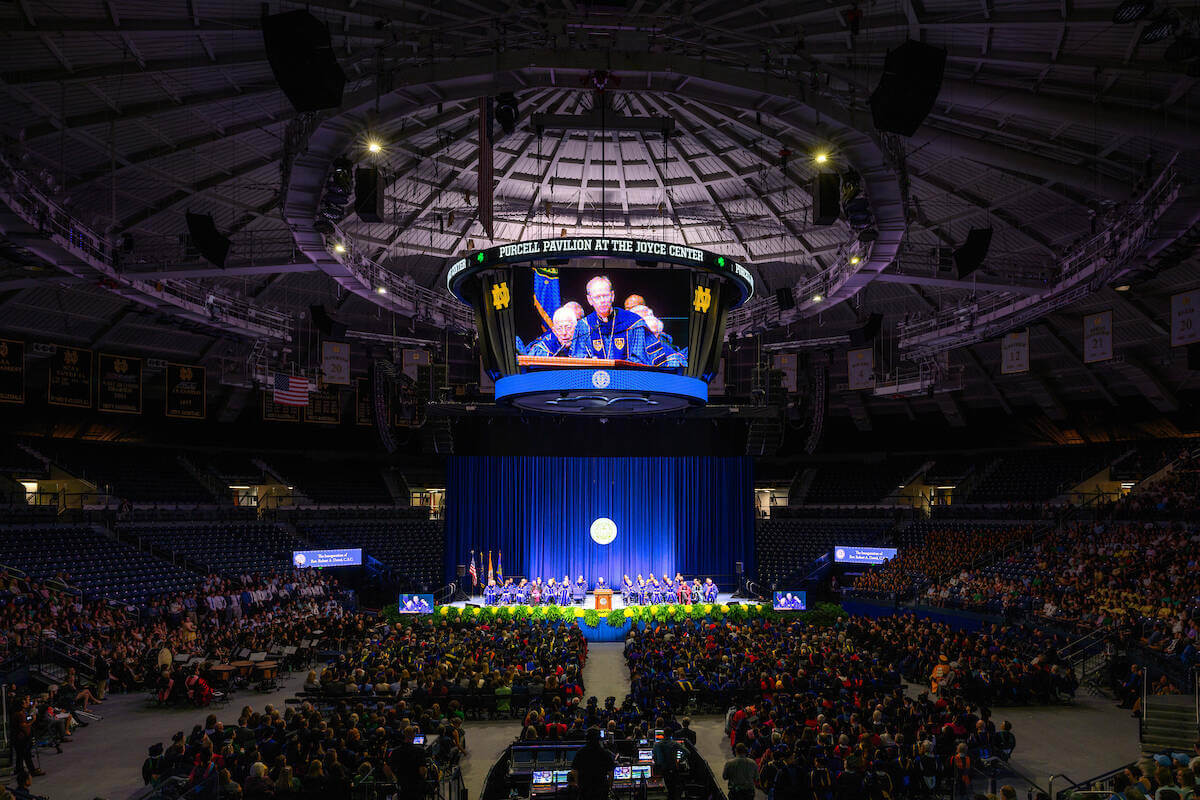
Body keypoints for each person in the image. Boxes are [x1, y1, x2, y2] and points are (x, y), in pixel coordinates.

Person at [580, 276, 654, 363]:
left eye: (605, 296)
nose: (602, 300)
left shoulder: (633, 322)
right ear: (590, 300)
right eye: (597, 297)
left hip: (627, 375)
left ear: (612, 296)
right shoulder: (584, 326)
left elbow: (641, 357)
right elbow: (578, 357)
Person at [571, 727, 615, 800]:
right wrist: (609, 788)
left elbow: (574, 771)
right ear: (599, 739)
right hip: (601, 789)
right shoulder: (605, 753)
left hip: (585, 788)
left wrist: (578, 784)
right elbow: (611, 773)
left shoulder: (580, 752)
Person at [653, 735, 685, 800]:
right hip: (673, 769)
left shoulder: (657, 744)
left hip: (663, 769)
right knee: (673, 788)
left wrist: (657, 763)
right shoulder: (675, 743)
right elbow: (687, 752)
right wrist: (680, 760)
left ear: (664, 735)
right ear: (671, 735)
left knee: (666, 786)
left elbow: (654, 757)